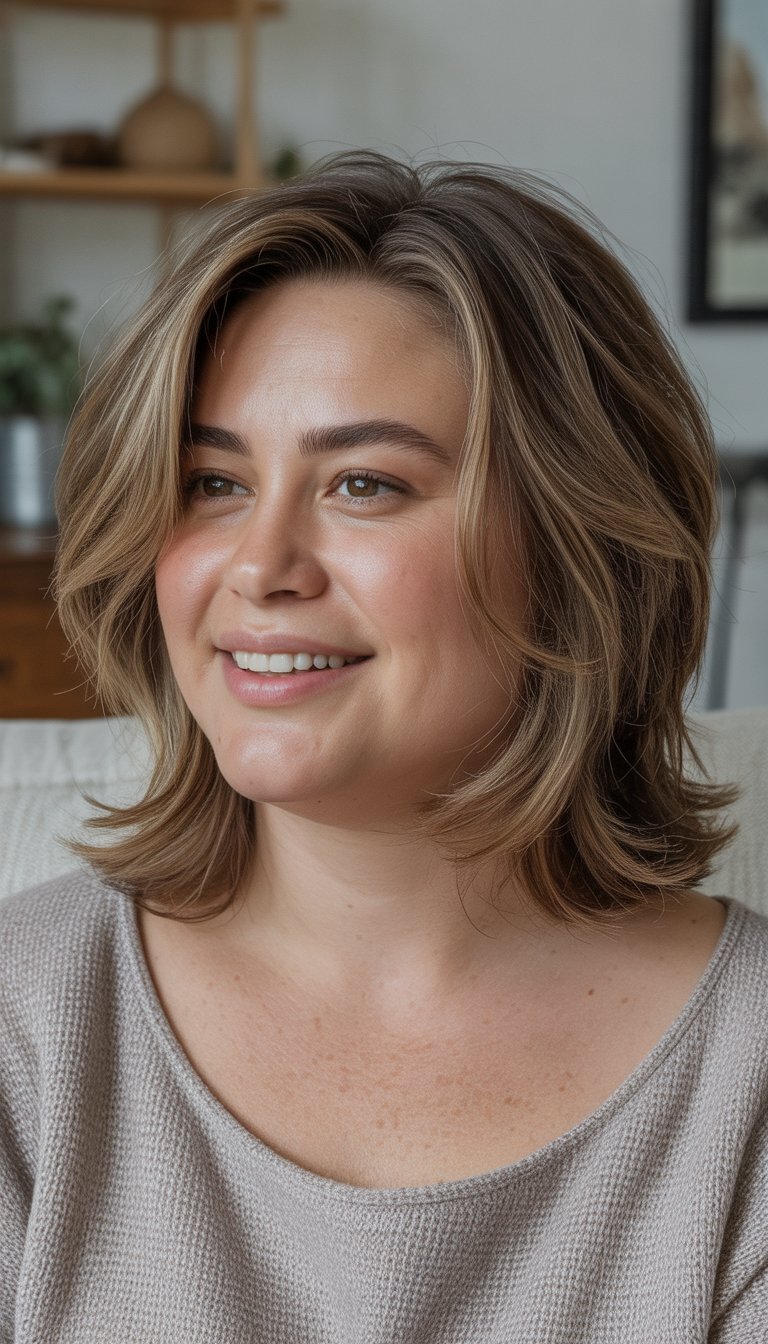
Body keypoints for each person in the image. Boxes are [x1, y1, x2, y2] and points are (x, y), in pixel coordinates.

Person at [1, 150, 766, 1343]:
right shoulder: (23, 1024)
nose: (261, 566)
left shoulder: (746, 1079)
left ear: (578, 550)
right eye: (212, 482)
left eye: (363, 484)